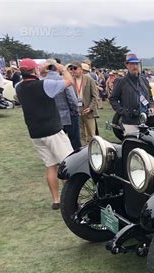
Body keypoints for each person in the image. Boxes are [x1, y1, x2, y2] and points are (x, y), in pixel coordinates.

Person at [15, 58, 74, 209]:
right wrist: (62, 69)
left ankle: (56, 200)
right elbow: (69, 81)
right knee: (69, 164)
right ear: (34, 70)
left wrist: (41, 70)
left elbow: (33, 80)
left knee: (51, 166)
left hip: (35, 133)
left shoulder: (18, 87)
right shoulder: (45, 85)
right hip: (52, 130)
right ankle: (71, 200)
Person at [110, 53, 154, 135]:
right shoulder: (121, 81)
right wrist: (123, 111)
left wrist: (151, 107)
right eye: (132, 64)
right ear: (127, 65)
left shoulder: (144, 80)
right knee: (133, 145)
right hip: (130, 121)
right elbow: (113, 99)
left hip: (146, 120)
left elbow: (150, 97)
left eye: (136, 64)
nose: (135, 66)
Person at [41, 59, 81, 151]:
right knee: (74, 141)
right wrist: (75, 111)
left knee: (57, 144)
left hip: (51, 117)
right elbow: (72, 100)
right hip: (68, 115)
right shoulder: (63, 80)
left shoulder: (42, 81)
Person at [69, 61, 99, 145]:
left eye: (75, 68)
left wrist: (90, 108)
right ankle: (83, 152)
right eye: (71, 69)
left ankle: (94, 150)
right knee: (81, 134)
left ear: (81, 69)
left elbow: (95, 96)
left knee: (91, 134)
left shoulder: (89, 79)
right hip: (77, 110)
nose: (73, 70)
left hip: (88, 109)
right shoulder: (71, 81)